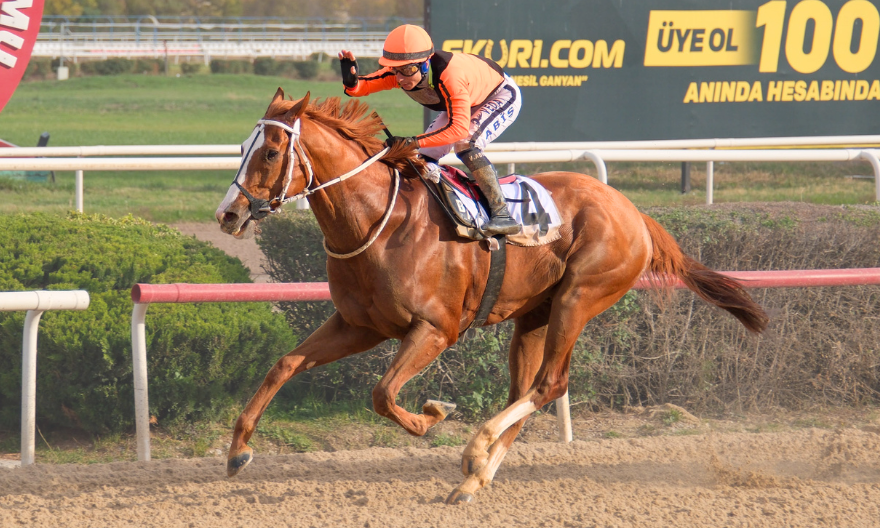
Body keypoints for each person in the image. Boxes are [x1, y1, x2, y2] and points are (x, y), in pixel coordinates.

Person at [338, 24, 522, 236]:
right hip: (465, 99)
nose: (400, 78)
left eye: (407, 70)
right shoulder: (400, 71)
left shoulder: (450, 75)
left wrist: (413, 141)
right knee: (422, 158)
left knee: (466, 145)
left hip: (499, 95)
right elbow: (363, 87)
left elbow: (459, 129)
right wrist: (351, 82)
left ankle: (502, 214)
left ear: (425, 64)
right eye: (395, 70)